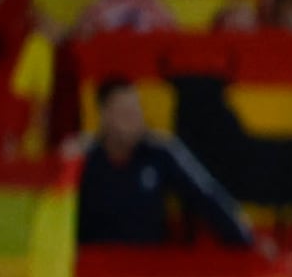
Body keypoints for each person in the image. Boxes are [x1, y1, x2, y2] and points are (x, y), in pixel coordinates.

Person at [72, 76, 257, 250]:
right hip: (92, 268)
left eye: (136, 110)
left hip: (148, 268)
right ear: (104, 115)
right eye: (124, 112)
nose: (133, 119)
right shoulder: (84, 158)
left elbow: (207, 196)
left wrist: (249, 243)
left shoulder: (161, 152)